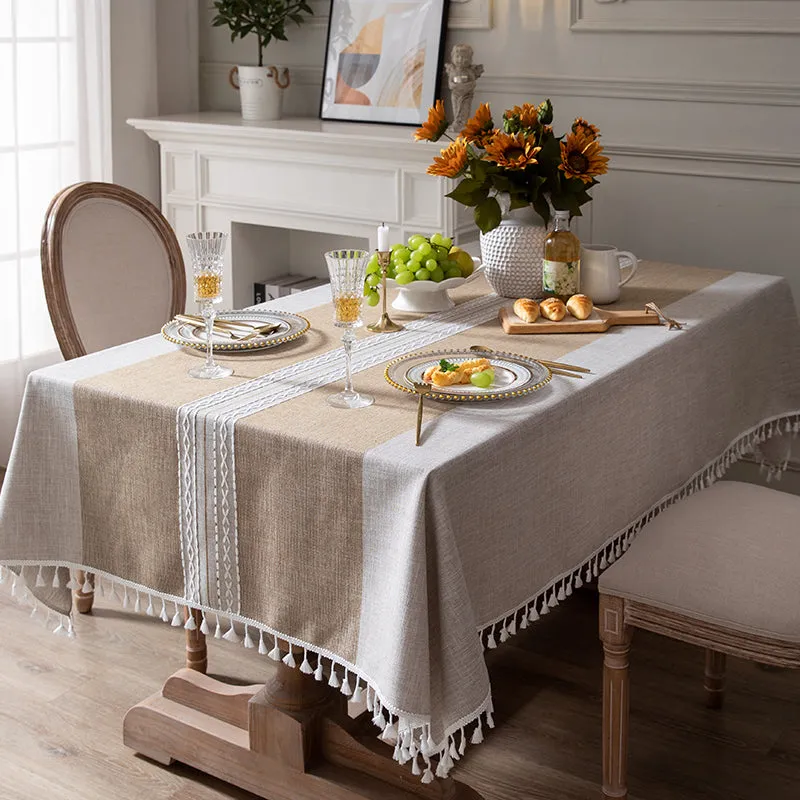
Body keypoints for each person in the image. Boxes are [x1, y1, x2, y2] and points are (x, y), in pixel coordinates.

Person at [444, 44, 484, 131]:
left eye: (464, 57)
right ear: (452, 57)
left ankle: (463, 124)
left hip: (466, 96)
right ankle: (457, 123)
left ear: (470, 59)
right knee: (456, 110)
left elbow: (473, 83)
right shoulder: (452, 71)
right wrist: (454, 86)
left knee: (464, 110)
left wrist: (464, 86)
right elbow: (450, 83)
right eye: (457, 57)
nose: (460, 60)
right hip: (455, 95)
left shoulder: (469, 71)